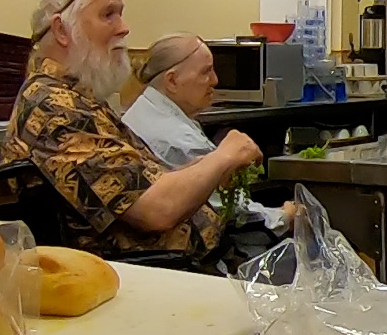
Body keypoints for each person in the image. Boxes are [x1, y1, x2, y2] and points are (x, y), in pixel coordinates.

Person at [0, 0, 263, 261]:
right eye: (108, 14)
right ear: (61, 30)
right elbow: (156, 210)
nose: (124, 28)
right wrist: (223, 156)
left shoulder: (77, 99)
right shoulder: (54, 109)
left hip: (197, 259)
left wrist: (206, 169)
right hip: (158, 275)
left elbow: (139, 183)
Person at [122, 33, 294, 235]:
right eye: (206, 72)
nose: (215, 80)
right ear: (172, 81)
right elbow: (227, 210)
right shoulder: (177, 138)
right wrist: (284, 215)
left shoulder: (143, 110)